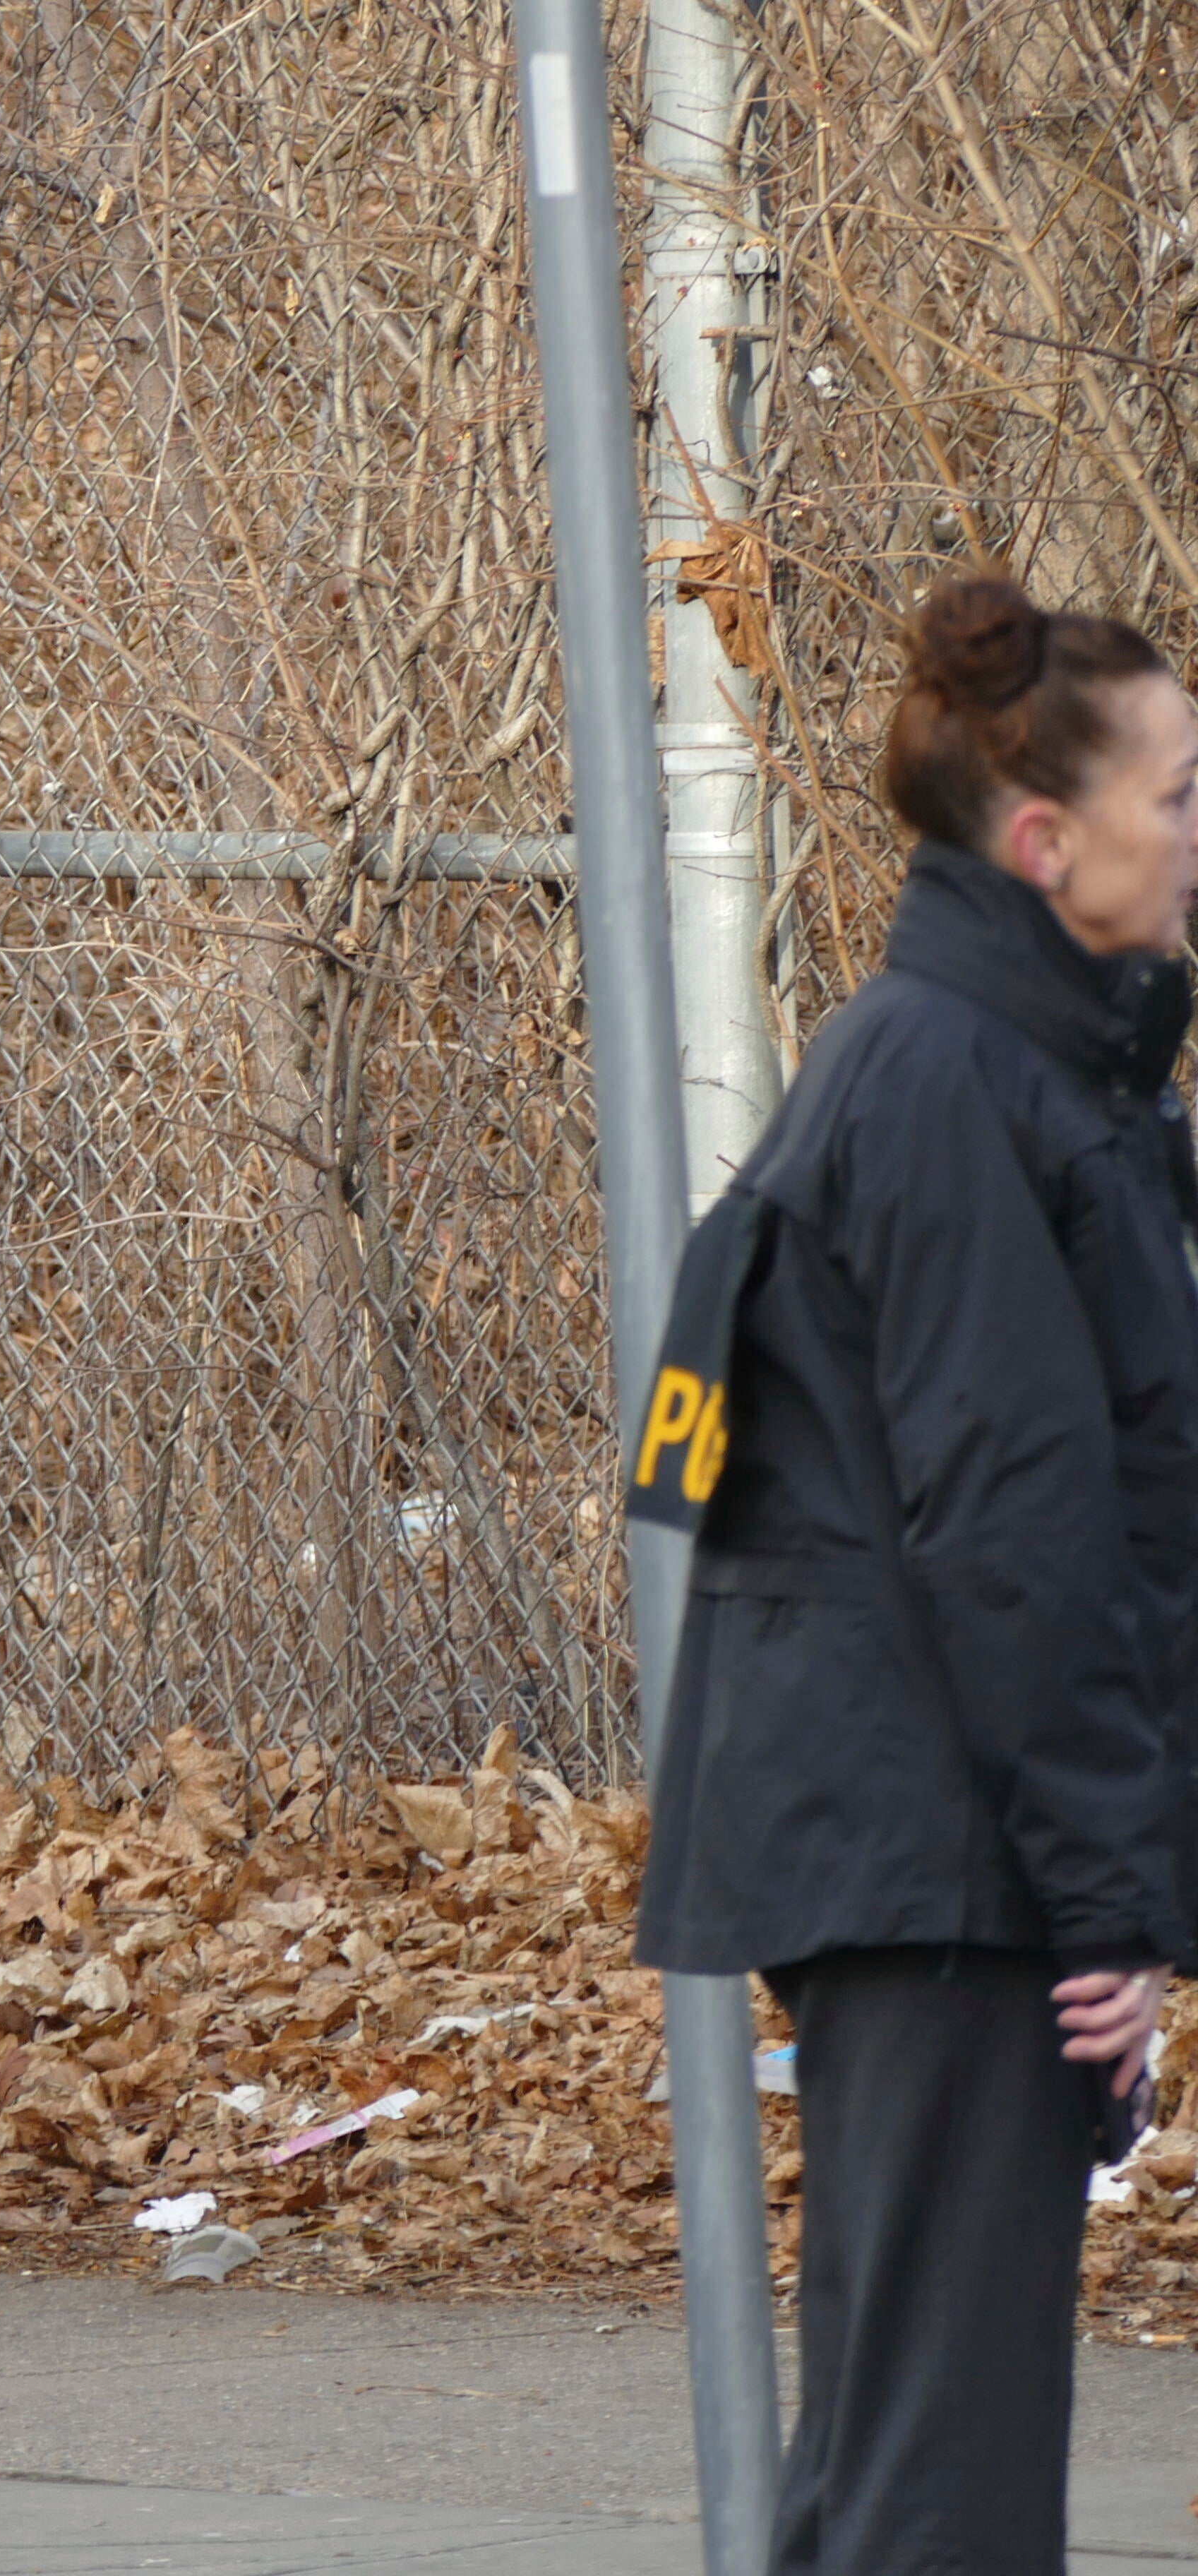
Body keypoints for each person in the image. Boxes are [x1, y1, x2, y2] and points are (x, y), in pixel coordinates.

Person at [635, 570, 1198, 2573]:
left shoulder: (1035, 1071)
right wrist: (1116, 1910)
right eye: (1179, 795)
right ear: (1047, 845)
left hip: (948, 1855)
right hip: (948, 1869)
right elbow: (1020, 1538)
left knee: (901, 2478)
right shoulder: (957, 1085)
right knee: (931, 2500)